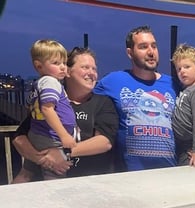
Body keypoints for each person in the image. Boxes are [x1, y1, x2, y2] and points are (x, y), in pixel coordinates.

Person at [12, 47, 119, 183]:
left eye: (94, 69)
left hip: (90, 182)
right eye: (86, 67)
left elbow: (104, 142)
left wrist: (62, 153)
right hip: (46, 184)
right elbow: (19, 138)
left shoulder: (103, 102)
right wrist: (45, 159)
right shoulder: (49, 101)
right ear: (68, 71)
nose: (92, 73)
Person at [93, 25, 179, 172]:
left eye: (154, 46)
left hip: (169, 174)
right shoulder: (113, 81)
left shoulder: (173, 84)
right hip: (129, 177)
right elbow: (83, 97)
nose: (151, 52)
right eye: (143, 47)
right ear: (130, 52)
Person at [26, 39, 79, 179]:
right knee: (57, 171)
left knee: (28, 172)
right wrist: (64, 135)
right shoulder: (50, 81)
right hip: (50, 137)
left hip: (40, 134)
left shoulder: (40, 83)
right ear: (39, 66)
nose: (63, 67)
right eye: (56, 63)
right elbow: (47, 109)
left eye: (64, 63)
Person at [171, 44, 195, 167]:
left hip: (189, 146)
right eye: (179, 69)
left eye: (187, 67)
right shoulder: (186, 89)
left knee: (187, 176)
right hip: (179, 144)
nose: (182, 71)